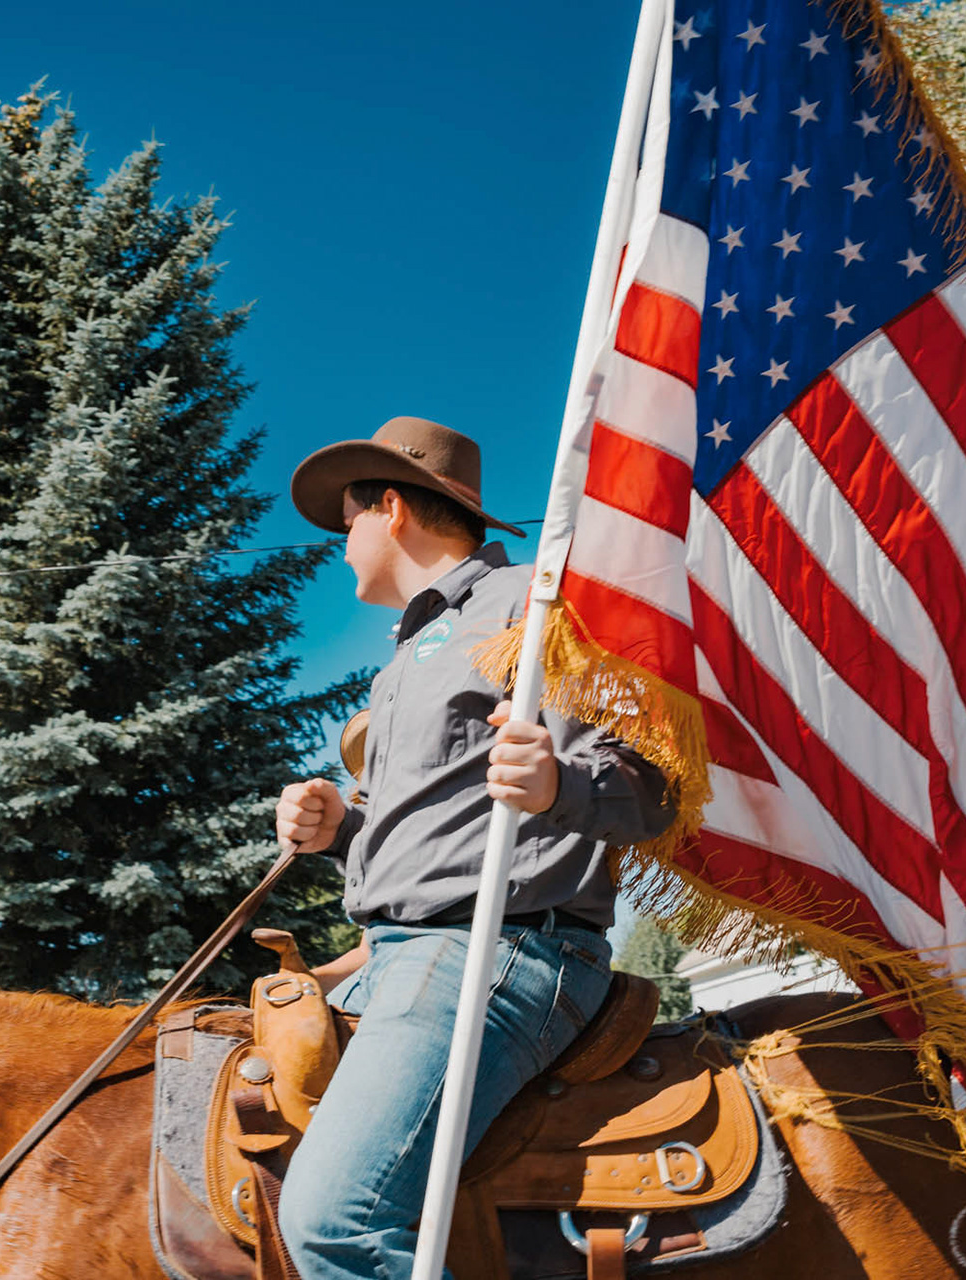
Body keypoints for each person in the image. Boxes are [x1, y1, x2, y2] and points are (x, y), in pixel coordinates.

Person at [273, 416, 677, 1279]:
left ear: (391, 508)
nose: (341, 547)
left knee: (336, 1223)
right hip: (397, 953)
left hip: (497, 949)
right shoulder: (399, 663)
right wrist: (339, 829)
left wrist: (557, 783)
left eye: (347, 523)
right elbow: (423, 840)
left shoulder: (537, 606)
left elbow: (654, 786)